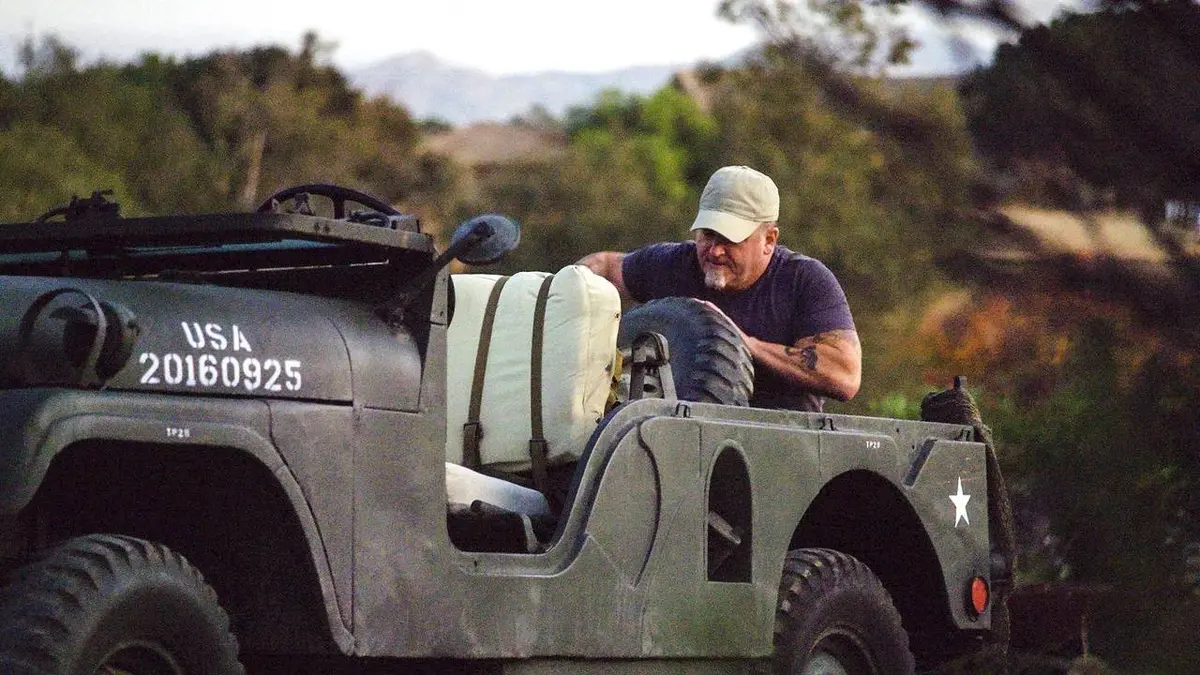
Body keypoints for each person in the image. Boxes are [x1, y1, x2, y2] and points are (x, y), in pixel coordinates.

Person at [578, 165, 861, 412]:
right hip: (672, 437)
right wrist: (560, 297)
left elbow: (845, 374)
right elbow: (604, 267)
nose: (714, 251)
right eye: (707, 235)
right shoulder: (673, 264)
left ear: (769, 240)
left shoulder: (804, 281)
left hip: (779, 441)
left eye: (730, 240)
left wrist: (741, 342)